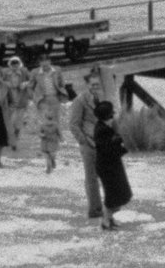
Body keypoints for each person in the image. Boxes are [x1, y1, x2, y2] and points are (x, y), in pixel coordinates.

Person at [66, 66, 106, 220]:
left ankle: (103, 207)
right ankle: (94, 210)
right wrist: (85, 141)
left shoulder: (101, 99)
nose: (96, 87)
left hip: (102, 143)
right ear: (86, 85)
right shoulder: (80, 100)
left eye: (98, 84)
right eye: (93, 85)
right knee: (91, 178)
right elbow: (73, 125)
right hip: (88, 144)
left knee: (104, 176)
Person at [92, 99, 133, 230]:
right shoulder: (102, 130)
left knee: (118, 193)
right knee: (114, 195)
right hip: (108, 168)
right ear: (108, 115)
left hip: (111, 166)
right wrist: (122, 147)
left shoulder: (102, 127)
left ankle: (109, 219)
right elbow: (108, 149)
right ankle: (105, 221)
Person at [30, 62, 64, 174]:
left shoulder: (57, 70)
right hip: (43, 100)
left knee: (55, 125)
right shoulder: (35, 72)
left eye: (47, 64)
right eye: (43, 65)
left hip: (54, 98)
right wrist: (35, 98)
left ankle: (52, 156)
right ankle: (48, 160)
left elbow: (61, 83)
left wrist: (61, 95)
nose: (45, 67)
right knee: (44, 124)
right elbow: (31, 86)